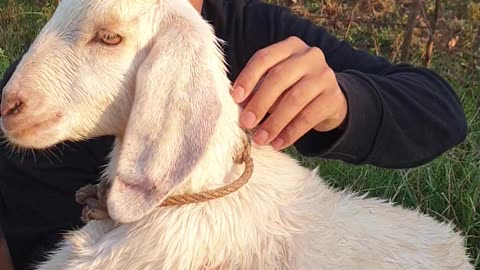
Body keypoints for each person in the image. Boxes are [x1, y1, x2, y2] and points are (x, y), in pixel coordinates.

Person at [0, 0, 468, 269]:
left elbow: (439, 109)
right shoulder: (50, 65)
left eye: (108, 38)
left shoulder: (252, 29)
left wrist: (347, 101)